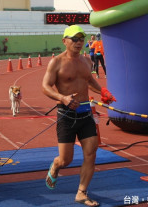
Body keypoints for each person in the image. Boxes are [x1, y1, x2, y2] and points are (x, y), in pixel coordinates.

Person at [42, 25, 116, 207]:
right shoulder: (56, 62)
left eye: (81, 39)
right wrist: (62, 98)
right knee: (66, 160)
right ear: (64, 41)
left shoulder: (86, 61)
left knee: (91, 153)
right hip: (66, 115)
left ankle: (82, 192)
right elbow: (45, 86)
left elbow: (88, 80)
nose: (78, 42)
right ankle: (56, 165)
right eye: (74, 39)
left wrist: (102, 91)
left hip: (85, 114)